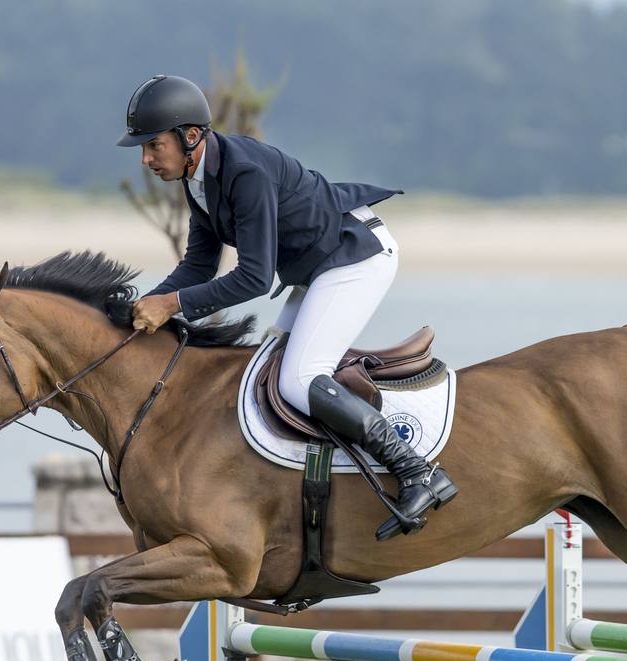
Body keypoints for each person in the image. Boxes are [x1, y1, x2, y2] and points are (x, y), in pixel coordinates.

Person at [119, 74, 457, 540]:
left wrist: (172, 305)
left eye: (153, 145)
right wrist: (149, 303)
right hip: (320, 265)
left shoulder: (244, 172)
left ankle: (417, 470)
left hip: (355, 256)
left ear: (190, 136)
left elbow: (254, 278)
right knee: (263, 368)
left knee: (299, 379)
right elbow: (198, 265)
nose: (146, 159)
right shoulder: (198, 179)